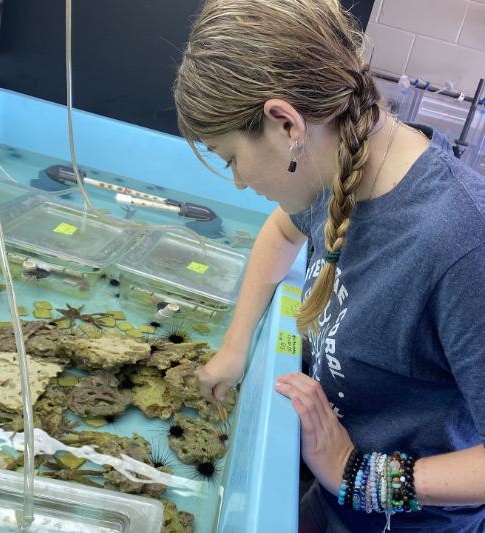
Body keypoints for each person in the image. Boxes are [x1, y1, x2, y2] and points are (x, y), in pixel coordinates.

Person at [173, 1, 485, 531]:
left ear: (285, 123)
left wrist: (358, 474)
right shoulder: (338, 162)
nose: (239, 183)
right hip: (330, 493)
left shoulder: (461, 244)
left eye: (230, 158)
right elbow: (280, 231)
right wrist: (235, 347)